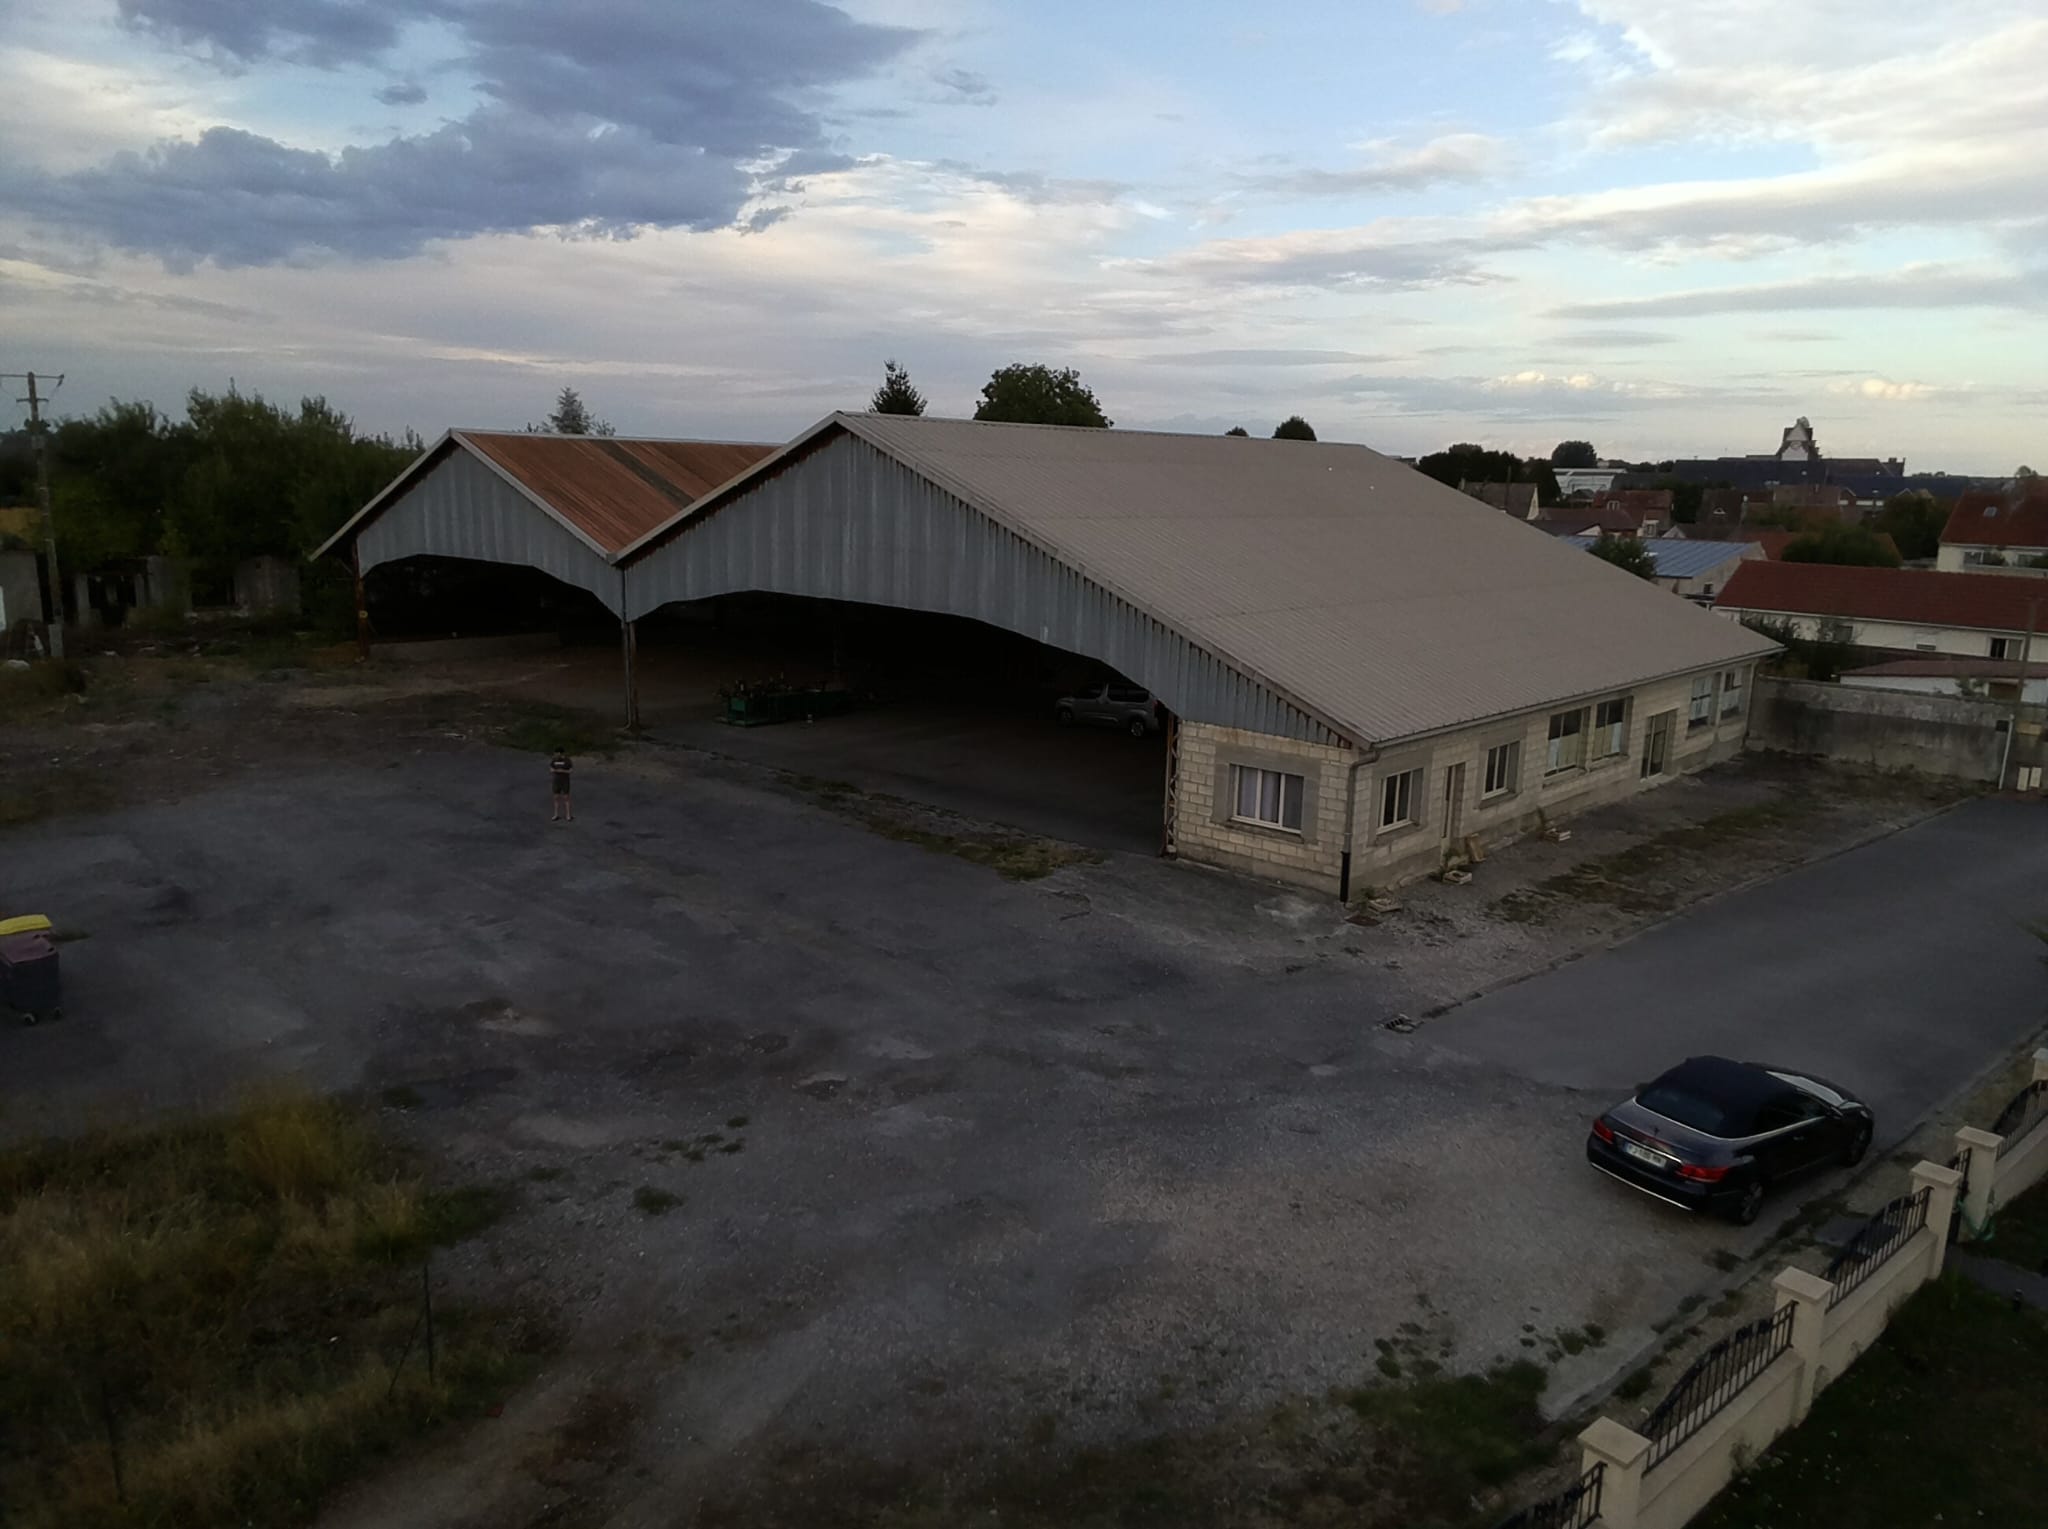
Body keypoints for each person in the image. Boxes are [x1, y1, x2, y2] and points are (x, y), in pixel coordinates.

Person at [549, 749, 574, 822]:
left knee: (566, 798)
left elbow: (571, 770)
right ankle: (556, 815)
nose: (555, 755)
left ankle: (568, 815)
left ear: (560, 753)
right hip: (556, 782)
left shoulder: (567, 760)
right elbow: (551, 768)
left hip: (565, 781)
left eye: (556, 753)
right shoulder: (554, 760)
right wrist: (553, 770)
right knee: (556, 798)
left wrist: (563, 771)